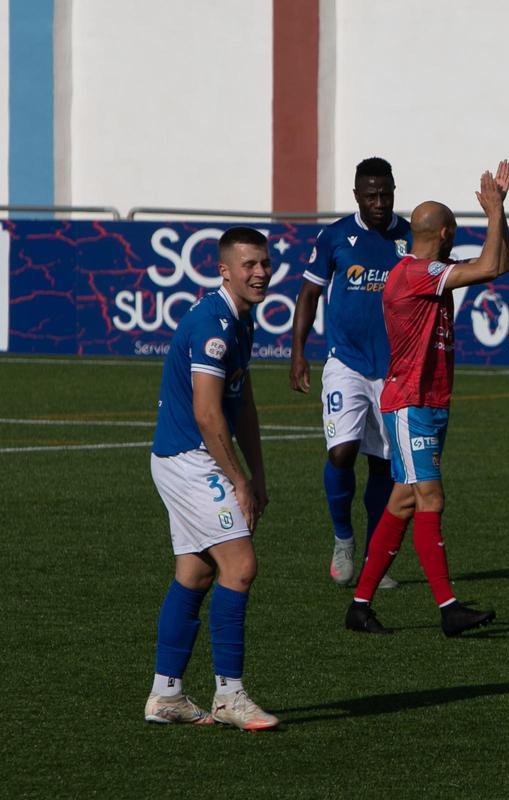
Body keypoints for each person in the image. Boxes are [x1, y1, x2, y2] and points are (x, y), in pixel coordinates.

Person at [345, 160, 509, 637]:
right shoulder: (414, 274)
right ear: (444, 233)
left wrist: (500, 213)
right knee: (430, 498)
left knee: (402, 501)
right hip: (411, 403)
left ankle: (359, 606)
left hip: (428, 402)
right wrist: (494, 213)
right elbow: (488, 265)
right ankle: (448, 608)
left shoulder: (425, 272)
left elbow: (500, 265)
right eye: (454, 229)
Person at [144, 227, 278, 731]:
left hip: (188, 457)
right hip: (189, 458)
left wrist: (257, 473)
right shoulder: (212, 324)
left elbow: (242, 404)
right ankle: (229, 696)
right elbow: (207, 413)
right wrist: (239, 481)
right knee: (240, 566)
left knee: (196, 573)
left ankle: (166, 696)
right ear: (225, 271)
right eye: (249, 265)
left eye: (264, 263)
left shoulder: (242, 319)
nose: (260, 272)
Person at [291, 157, 411, 587]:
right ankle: (343, 538)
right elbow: (309, 294)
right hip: (346, 361)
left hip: (393, 368)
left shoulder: (410, 237)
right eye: (371, 195)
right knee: (341, 452)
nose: (380, 203)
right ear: (357, 195)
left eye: (386, 194)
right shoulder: (336, 236)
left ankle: (375, 562)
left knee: (383, 465)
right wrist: (298, 352)